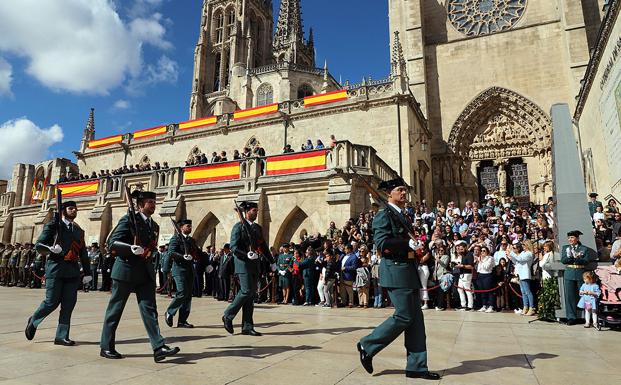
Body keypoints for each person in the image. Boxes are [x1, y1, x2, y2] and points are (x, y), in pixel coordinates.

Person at [357, 177, 440, 380]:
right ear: (389, 194)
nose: (404, 193)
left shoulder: (403, 215)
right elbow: (382, 244)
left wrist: (419, 246)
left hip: (409, 270)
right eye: (400, 190)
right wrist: (407, 245)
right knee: (404, 316)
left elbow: (408, 242)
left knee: (416, 322)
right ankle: (367, 345)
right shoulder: (383, 215)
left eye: (405, 190)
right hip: (395, 270)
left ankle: (417, 367)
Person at [100, 190, 179, 362]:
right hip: (126, 270)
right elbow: (112, 242)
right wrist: (130, 248)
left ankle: (158, 347)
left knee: (150, 310)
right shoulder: (128, 219)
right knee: (115, 310)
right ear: (140, 204)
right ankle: (106, 346)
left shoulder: (154, 226)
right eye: (150, 202)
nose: (153, 204)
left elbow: (151, 250)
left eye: (154, 201)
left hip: (145, 272)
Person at [25, 201, 92, 346]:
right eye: (70, 208)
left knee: (68, 305)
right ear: (63, 211)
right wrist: (50, 249)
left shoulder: (78, 231)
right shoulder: (53, 225)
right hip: (55, 270)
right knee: (51, 302)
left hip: (72, 272)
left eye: (75, 208)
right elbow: (39, 245)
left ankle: (61, 336)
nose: (74, 210)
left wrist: (88, 272)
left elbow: (83, 253)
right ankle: (34, 320)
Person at [222, 201, 267, 336]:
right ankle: (228, 315)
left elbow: (263, 246)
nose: (256, 212)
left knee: (250, 296)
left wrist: (271, 262)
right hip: (242, 263)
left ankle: (247, 326)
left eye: (257, 210)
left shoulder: (257, 228)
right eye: (254, 210)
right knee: (246, 291)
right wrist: (246, 254)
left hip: (254, 264)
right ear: (246, 212)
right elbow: (234, 247)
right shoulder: (238, 227)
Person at [165, 219, 198, 328]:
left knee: (188, 296)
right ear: (181, 227)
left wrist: (207, 263)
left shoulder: (192, 240)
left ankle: (182, 320)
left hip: (189, 270)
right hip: (179, 269)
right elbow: (171, 252)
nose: (190, 228)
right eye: (188, 226)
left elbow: (197, 252)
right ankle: (170, 312)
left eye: (190, 226)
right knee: (182, 292)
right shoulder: (176, 239)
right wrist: (182, 256)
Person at [560, 230, 592, 325]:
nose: (570, 239)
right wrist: (571, 258)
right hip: (569, 272)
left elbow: (586, 261)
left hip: (580, 272)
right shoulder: (565, 248)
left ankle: (585, 316)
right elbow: (563, 260)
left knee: (584, 295)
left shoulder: (584, 248)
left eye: (572, 237)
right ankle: (571, 317)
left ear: (577, 239)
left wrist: (578, 259)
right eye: (569, 238)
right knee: (570, 296)